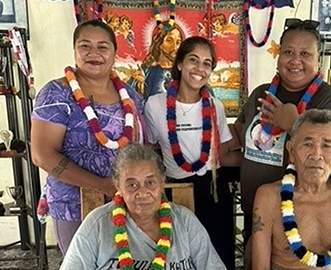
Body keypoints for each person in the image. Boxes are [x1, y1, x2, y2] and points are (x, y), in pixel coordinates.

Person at [230, 18, 331, 244]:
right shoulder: (262, 92)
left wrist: (295, 124)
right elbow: (241, 134)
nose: (295, 60)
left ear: (319, 59)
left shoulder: (330, 99)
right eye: (288, 52)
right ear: (278, 56)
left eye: (305, 54)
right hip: (256, 214)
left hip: (301, 220)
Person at [31, 20, 145, 256]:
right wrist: (101, 186)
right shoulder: (56, 93)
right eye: (85, 46)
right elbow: (42, 155)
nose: (94, 53)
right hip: (73, 205)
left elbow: (142, 146)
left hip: (124, 202)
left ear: (115, 53)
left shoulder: (130, 95)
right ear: (75, 51)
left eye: (102, 47)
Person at [144, 36, 241, 269]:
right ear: (179, 64)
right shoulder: (155, 105)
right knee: (179, 254)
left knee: (218, 253)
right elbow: (150, 150)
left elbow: (225, 154)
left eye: (207, 64)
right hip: (176, 190)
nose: (200, 69)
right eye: (193, 60)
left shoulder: (214, 106)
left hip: (213, 190)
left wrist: (261, 160)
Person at [60, 143, 226, 269]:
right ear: (118, 186)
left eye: (150, 182)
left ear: (162, 182)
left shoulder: (185, 221)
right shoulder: (97, 224)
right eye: (132, 185)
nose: (142, 192)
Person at [251, 109, 331, 270]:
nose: (316, 155)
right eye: (307, 144)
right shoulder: (269, 196)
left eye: (327, 145)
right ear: (291, 151)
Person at [142, 25, 183, 99]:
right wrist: (139, 85)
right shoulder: (147, 71)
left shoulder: (183, 72)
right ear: (159, 44)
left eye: (178, 42)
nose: (175, 48)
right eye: (169, 41)